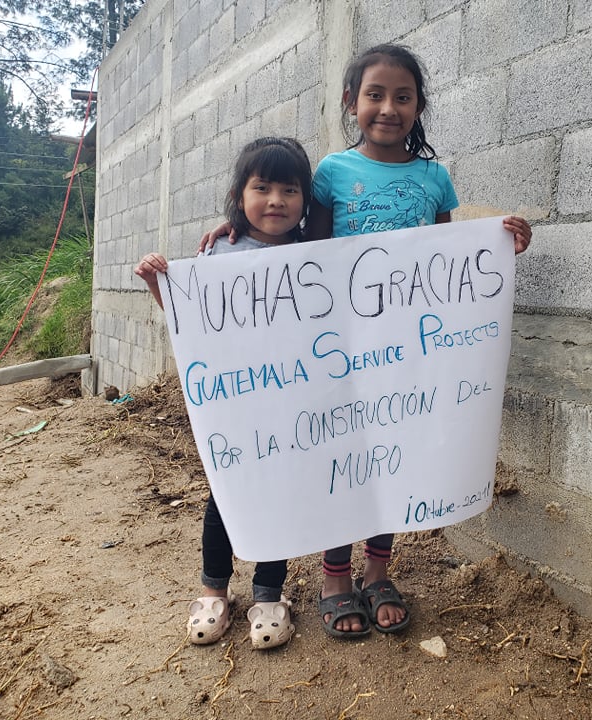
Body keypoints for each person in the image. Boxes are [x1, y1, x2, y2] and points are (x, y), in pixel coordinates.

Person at [198, 44, 533, 639]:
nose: (388, 107)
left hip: (407, 354)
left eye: (402, 96)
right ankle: (335, 577)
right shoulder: (330, 172)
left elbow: (443, 264)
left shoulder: (436, 178)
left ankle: (379, 570)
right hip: (342, 355)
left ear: (419, 105)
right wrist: (236, 229)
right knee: (341, 460)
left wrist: (502, 245)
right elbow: (307, 257)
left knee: (394, 457)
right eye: (374, 95)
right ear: (351, 102)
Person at [135, 136, 313, 650]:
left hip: (291, 405)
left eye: (290, 189)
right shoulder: (221, 249)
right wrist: (158, 284)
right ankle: (214, 590)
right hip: (234, 410)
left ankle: (268, 594)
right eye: (262, 188)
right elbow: (192, 322)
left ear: (305, 201)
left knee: (279, 496)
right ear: (240, 193)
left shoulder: (313, 255)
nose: (276, 200)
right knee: (225, 494)